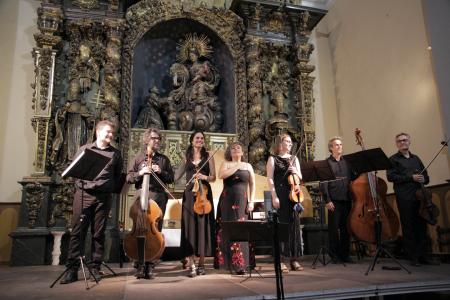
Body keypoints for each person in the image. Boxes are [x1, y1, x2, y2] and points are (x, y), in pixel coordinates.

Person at [61, 120, 123, 284]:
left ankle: (95, 267)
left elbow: (117, 176)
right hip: (84, 195)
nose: (110, 135)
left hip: (103, 198)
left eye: (112, 133)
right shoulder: (85, 149)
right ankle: (72, 269)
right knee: (77, 232)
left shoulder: (115, 154)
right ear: (98, 132)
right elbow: (74, 171)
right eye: (108, 132)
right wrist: (83, 187)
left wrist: (108, 188)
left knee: (98, 233)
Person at [126, 128, 174, 279]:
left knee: (155, 230)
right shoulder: (138, 158)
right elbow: (128, 177)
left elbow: (170, 178)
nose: (157, 141)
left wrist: (160, 171)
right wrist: (140, 173)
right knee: (139, 228)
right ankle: (140, 264)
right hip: (142, 195)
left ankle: (150, 264)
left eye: (159, 138)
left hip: (158, 196)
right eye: (154, 138)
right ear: (147, 139)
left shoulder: (163, 159)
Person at [386, 132, 432, 266]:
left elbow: (426, 177)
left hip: (420, 196)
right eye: (399, 141)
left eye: (405, 140)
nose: (402, 142)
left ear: (409, 142)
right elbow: (391, 177)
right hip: (404, 197)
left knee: (422, 225)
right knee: (409, 226)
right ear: (396, 144)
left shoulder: (416, 158)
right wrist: (410, 178)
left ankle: (423, 255)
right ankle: (413, 257)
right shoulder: (393, 159)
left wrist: (424, 178)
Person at [175, 131, 216, 277]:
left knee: (202, 228)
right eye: (197, 138)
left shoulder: (208, 156)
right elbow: (176, 176)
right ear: (192, 140)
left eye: (202, 138)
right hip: (189, 195)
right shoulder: (186, 157)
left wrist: (203, 176)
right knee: (190, 229)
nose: (200, 140)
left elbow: (213, 177)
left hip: (203, 195)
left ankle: (202, 264)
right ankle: (191, 264)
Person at [214, 142, 255, 274]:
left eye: (238, 148)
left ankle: (241, 265)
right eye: (233, 148)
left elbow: (252, 185)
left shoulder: (248, 166)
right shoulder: (226, 163)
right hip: (227, 201)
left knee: (242, 229)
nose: (236, 149)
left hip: (243, 200)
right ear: (230, 152)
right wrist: (237, 165)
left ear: (242, 152)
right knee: (227, 229)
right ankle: (227, 263)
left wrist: (252, 201)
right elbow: (221, 175)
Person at [266, 133, 304, 272]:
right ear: (280, 144)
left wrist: (295, 171)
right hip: (281, 193)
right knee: (282, 227)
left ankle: (294, 259)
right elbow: (270, 179)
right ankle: (281, 260)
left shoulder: (294, 159)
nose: (290, 144)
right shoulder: (272, 159)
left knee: (294, 226)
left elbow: (299, 177)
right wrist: (274, 196)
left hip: (294, 194)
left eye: (290, 142)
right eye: (287, 141)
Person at [320, 137, 356, 263]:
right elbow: (323, 183)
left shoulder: (347, 162)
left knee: (346, 228)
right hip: (333, 200)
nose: (339, 146)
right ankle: (334, 255)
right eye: (336, 145)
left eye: (340, 144)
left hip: (347, 199)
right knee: (334, 229)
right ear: (331, 148)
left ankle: (345, 254)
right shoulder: (326, 163)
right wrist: (327, 200)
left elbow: (354, 179)